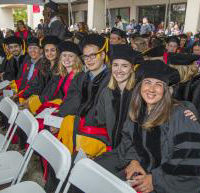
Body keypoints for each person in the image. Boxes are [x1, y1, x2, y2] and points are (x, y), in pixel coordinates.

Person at [95, 60, 200, 193]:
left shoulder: (181, 115)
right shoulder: (138, 111)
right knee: (94, 176)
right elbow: (130, 141)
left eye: (158, 84)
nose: (151, 89)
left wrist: (155, 180)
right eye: (148, 82)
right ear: (140, 86)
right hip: (141, 169)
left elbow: (190, 159)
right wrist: (134, 160)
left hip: (168, 181)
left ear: (166, 90)